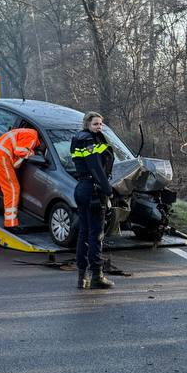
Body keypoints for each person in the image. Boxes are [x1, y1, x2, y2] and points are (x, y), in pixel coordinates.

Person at [70, 111, 115, 290]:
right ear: (87, 124)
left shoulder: (78, 139)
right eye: (96, 124)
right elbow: (95, 167)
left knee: (84, 233)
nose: (99, 127)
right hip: (93, 191)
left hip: (81, 188)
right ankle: (97, 276)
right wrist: (108, 189)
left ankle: (82, 278)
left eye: (101, 124)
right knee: (96, 235)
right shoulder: (89, 141)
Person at [0, 127, 41, 235]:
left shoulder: (22, 131)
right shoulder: (33, 136)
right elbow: (20, 151)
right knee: (12, 189)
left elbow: (15, 162)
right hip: (0, 156)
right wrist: (31, 153)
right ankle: (10, 224)